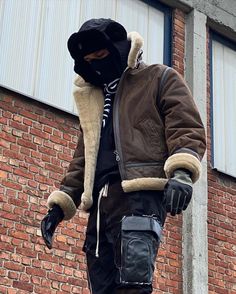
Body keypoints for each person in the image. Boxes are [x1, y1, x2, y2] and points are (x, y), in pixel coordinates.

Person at [41, 18, 206, 294]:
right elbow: (83, 158)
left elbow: (186, 126)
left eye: (102, 56)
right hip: (99, 208)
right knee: (101, 288)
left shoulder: (158, 78)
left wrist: (181, 173)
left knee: (133, 286)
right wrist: (59, 207)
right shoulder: (94, 101)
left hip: (138, 196)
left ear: (118, 49)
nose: (96, 64)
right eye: (89, 60)